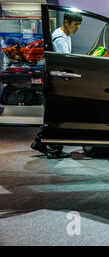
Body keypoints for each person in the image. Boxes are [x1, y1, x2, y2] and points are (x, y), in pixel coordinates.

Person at [31, 12, 82, 159]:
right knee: (60, 117)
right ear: (66, 22)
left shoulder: (64, 35)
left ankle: (39, 143)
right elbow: (64, 61)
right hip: (58, 83)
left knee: (55, 115)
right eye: (75, 24)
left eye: (79, 24)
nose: (78, 27)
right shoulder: (60, 38)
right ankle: (54, 150)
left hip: (55, 81)